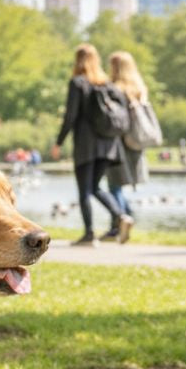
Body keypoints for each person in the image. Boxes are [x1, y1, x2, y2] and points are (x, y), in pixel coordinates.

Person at [51, 43, 132, 246]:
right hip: (109, 145)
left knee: (85, 190)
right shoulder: (107, 84)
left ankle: (89, 234)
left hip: (86, 146)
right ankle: (120, 215)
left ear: (77, 60)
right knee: (96, 187)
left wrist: (59, 142)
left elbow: (70, 116)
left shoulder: (78, 83)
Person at [104, 51, 153, 242]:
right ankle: (125, 220)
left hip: (119, 143)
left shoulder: (117, 89)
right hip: (136, 143)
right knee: (121, 185)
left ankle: (120, 222)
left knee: (114, 185)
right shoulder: (140, 88)